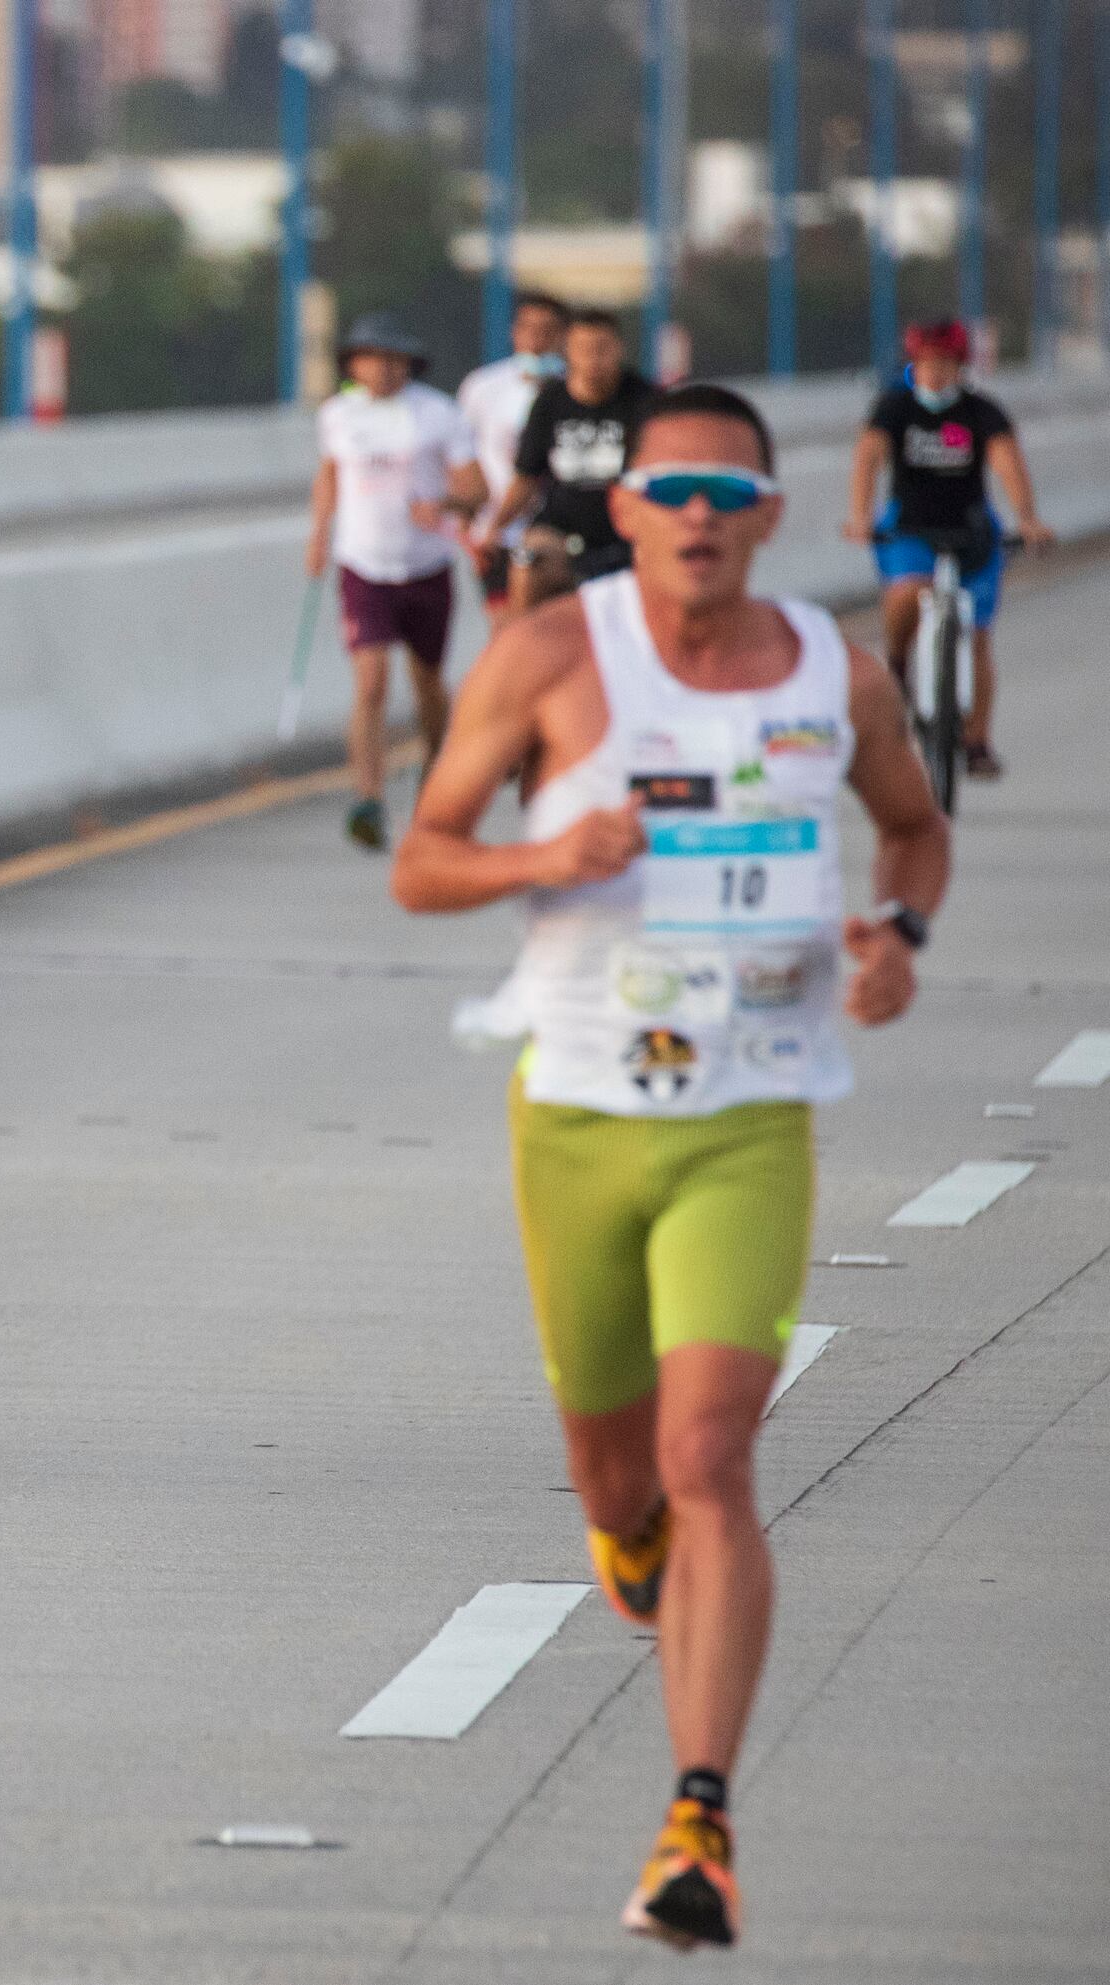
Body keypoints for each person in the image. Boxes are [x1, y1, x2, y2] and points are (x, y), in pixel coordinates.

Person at [392, 383, 950, 1951]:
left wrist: (896, 937)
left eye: (729, 491)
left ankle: (696, 1818)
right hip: (578, 1110)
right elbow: (423, 859)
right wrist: (539, 857)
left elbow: (914, 829)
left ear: (771, 517)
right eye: (672, 489)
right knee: (625, 1475)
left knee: (713, 1455)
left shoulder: (835, 674)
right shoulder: (554, 655)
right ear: (623, 511)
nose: (700, 515)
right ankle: (621, 1526)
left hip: (751, 1114)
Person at [306, 312, 487, 851]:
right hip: (364, 564)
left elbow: (475, 491)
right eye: (371, 359)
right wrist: (318, 534)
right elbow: (330, 474)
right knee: (371, 682)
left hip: (425, 566)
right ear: (353, 365)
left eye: (393, 361)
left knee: (428, 682)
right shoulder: (338, 414)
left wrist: (447, 506)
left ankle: (436, 773)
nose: (382, 371)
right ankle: (369, 797)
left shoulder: (438, 413)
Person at [842, 318, 1052, 778]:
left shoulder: (982, 412)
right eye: (926, 364)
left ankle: (976, 742)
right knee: (904, 592)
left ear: (961, 367)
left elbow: (1006, 462)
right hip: (909, 526)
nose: (936, 374)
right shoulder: (893, 408)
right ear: (912, 365)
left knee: (977, 637)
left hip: (971, 528)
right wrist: (860, 517)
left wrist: (1028, 518)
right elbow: (868, 459)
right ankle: (897, 662)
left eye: (946, 364)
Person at [476, 307, 657, 613]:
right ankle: (527, 649)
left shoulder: (646, 400)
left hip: (628, 531)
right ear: (568, 352)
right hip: (560, 530)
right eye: (584, 350)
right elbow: (526, 478)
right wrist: (493, 528)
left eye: (602, 349)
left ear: (619, 349)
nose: (593, 359)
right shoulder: (549, 401)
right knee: (527, 562)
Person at [456, 292, 571, 625]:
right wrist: (470, 527)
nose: (536, 341)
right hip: (499, 536)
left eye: (547, 331)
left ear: (564, 336)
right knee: (507, 637)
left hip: (558, 531)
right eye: (528, 329)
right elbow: (464, 460)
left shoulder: (576, 388)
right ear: (514, 332)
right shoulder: (483, 387)